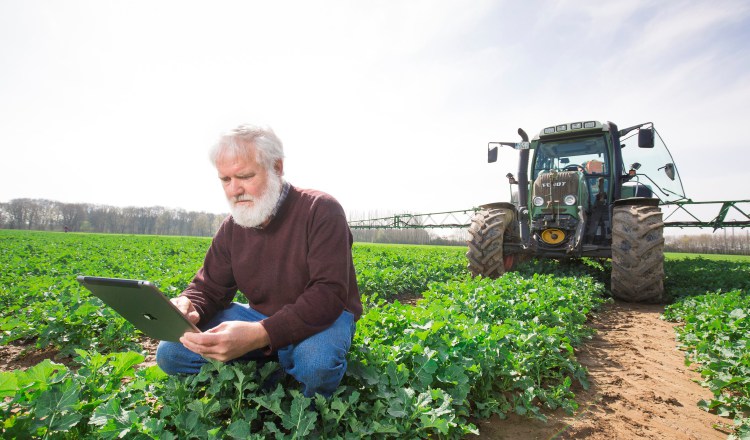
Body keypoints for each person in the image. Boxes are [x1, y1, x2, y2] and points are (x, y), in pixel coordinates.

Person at [156, 124, 362, 398]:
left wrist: (260, 334)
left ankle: (273, 361)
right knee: (171, 352)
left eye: (244, 176)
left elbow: (328, 295)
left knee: (316, 364)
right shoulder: (232, 227)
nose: (234, 190)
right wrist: (189, 304)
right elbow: (209, 287)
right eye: (225, 179)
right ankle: (281, 362)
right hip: (259, 317)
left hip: (325, 317)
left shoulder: (321, 210)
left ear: (277, 167)